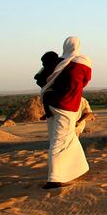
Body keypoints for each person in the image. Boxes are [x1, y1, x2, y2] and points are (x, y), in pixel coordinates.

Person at [40, 36, 93, 189]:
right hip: (66, 106)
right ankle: (54, 179)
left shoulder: (58, 62)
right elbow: (85, 81)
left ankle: (77, 169)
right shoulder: (83, 62)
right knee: (60, 142)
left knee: (65, 138)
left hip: (50, 104)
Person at [34, 51, 62, 119]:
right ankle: (47, 112)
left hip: (55, 88)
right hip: (48, 86)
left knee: (46, 96)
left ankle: (48, 113)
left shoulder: (59, 66)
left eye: (44, 62)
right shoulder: (45, 68)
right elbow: (36, 77)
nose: (43, 64)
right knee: (46, 96)